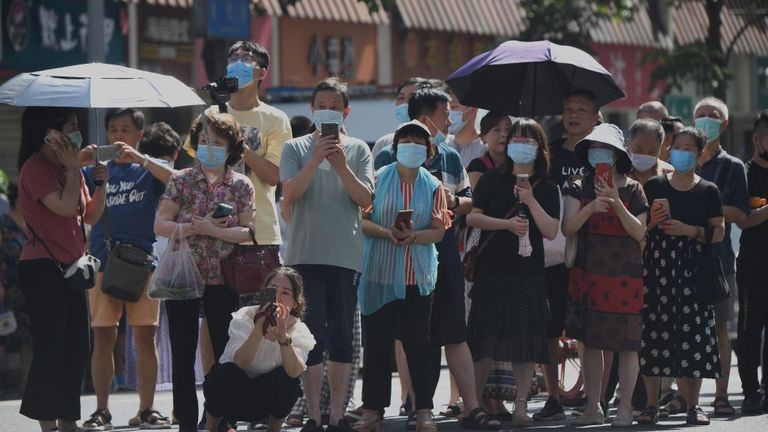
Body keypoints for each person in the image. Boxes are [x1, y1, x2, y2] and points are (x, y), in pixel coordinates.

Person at [375, 87, 498, 430]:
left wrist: (451, 201)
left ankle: (471, 407)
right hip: (402, 255)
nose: (450, 120)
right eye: (446, 115)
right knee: (417, 336)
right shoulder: (388, 154)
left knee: (455, 333)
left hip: (444, 252)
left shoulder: (449, 155)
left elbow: (469, 201)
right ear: (427, 118)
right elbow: (373, 204)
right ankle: (419, 405)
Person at [280, 77, 374, 432]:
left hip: (345, 256)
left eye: (334, 106)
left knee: (341, 340)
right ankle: (313, 416)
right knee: (311, 335)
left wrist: (340, 165)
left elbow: (366, 200)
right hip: (305, 255)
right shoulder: (295, 147)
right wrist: (315, 158)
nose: (327, 112)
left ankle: (336, 414)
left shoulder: (358, 150)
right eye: (321, 105)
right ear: (311, 109)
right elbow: (289, 195)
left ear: (346, 111)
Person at [154, 112, 255, 432]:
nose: (209, 146)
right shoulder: (180, 179)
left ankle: (221, 417)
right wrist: (190, 227)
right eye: (203, 141)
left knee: (226, 353)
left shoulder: (241, 184)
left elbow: (248, 231)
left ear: (231, 148)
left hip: (224, 277)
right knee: (183, 355)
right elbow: (161, 224)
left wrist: (213, 230)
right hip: (183, 276)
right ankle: (186, 421)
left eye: (217, 142)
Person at [81, 108, 174, 431]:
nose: (118, 136)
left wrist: (142, 159)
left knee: (146, 338)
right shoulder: (94, 170)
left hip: (142, 264)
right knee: (103, 336)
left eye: (125, 130)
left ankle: (147, 409)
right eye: (112, 130)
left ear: (139, 134)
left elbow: (179, 182)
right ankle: (102, 410)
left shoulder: (147, 170)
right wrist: (83, 160)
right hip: (103, 263)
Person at [355, 120, 449, 432]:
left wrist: (413, 237)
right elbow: (362, 220)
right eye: (405, 140)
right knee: (377, 346)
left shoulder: (434, 186)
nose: (411, 146)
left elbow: (438, 232)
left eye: (418, 141)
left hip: (416, 276)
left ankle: (423, 409)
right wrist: (387, 232)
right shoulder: (378, 179)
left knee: (419, 347)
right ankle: (372, 410)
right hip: (379, 274)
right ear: (395, 147)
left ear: (428, 150)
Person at [17, 107, 107, 432]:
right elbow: (65, 206)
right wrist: (73, 170)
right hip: (42, 269)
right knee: (51, 348)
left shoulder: (70, 168)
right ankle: (48, 424)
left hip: (71, 269)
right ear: (51, 134)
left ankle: (69, 421)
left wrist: (100, 186)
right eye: (71, 127)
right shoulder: (35, 169)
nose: (77, 134)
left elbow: (89, 215)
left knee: (77, 349)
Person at [467, 118, 560, 427]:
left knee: (526, 343)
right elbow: (474, 219)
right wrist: (505, 224)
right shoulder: (493, 179)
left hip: (528, 273)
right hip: (493, 270)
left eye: (528, 140)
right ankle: (476, 404)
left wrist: (530, 200)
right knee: (485, 341)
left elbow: (550, 230)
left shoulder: (546, 186)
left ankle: (521, 406)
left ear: (539, 148)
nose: (519, 144)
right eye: (515, 139)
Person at [190, 40, 292, 305]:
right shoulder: (211, 113)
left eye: (246, 59)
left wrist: (237, 143)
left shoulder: (275, 119)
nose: (237, 64)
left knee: (260, 317)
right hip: (213, 230)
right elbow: (196, 171)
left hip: (258, 235)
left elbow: (273, 176)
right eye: (233, 58)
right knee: (212, 324)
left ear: (262, 72)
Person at [636, 127, 724, 427]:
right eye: (677, 146)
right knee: (654, 334)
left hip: (693, 269)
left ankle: (693, 405)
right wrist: (651, 223)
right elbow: (640, 228)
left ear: (699, 155)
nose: (681, 152)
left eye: (689, 149)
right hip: (658, 268)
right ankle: (650, 404)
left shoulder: (708, 190)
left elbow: (719, 231)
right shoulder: (654, 186)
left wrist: (690, 230)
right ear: (669, 150)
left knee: (693, 337)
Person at [563, 123, 648, 426]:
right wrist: (590, 209)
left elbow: (640, 231)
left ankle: (624, 407)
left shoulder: (634, 189)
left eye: (605, 149)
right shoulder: (577, 185)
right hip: (590, 274)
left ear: (616, 155)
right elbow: (567, 228)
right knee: (591, 342)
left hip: (626, 276)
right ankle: (593, 406)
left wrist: (615, 201)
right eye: (593, 149)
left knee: (627, 345)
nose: (598, 154)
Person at [533, 90, 599, 422]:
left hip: (593, 253)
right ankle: (553, 396)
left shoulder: (602, 154)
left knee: (588, 329)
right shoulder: (550, 153)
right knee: (550, 327)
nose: (574, 115)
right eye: (568, 109)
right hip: (552, 250)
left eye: (582, 110)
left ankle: (592, 394)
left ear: (596, 116)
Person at [203, 267, 316, 432]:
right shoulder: (245, 316)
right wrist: (259, 326)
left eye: (285, 293)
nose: (277, 298)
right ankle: (211, 426)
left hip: (264, 399)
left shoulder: (299, 329)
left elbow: (294, 371)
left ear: (295, 302)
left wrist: (282, 335)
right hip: (233, 393)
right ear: (263, 293)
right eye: (273, 290)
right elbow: (241, 361)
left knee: (287, 381)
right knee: (226, 373)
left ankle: (274, 427)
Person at [693, 96, 748, 417]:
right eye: (700, 115)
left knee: (719, 331)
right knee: (685, 330)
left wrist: (702, 206)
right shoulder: (683, 158)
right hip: (681, 259)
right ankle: (687, 399)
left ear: (724, 124)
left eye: (712, 116)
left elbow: (740, 212)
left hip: (719, 261)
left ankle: (722, 395)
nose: (706, 121)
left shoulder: (733, 167)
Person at [735, 110, 768, 414]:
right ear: (757, 138)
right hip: (754, 263)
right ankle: (749, 391)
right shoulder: (744, 172)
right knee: (749, 327)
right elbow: (743, 220)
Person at [0, 182, 31, 395]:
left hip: (30, 287)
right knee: (3, 335)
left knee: (29, 337)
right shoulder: (3, 224)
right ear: (17, 200)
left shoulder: (32, 224)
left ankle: (27, 384)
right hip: (6, 287)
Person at [371, 77, 427, 158]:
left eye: (412, 98)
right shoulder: (384, 143)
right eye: (401, 98)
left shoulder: (441, 143)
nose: (405, 103)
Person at [627, 119, 674, 185]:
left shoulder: (670, 174)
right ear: (628, 143)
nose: (644, 155)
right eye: (638, 150)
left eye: (651, 152)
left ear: (660, 148)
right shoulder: (617, 173)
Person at [447, 91, 484, 168]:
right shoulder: (440, 146)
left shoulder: (484, 149)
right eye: (446, 108)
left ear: (473, 109)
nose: (448, 113)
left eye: (454, 107)